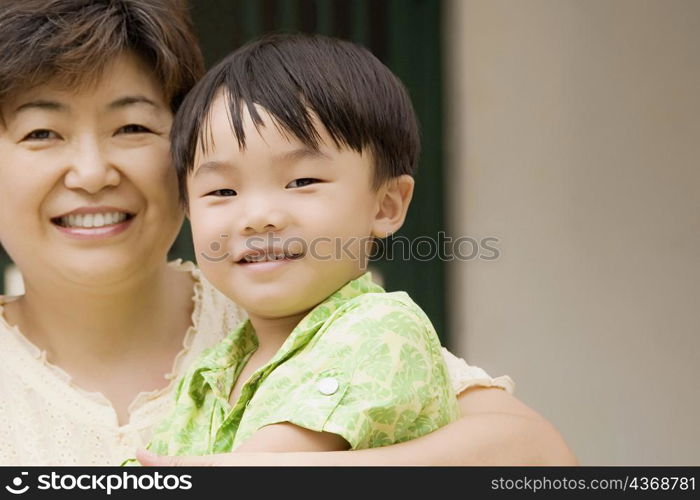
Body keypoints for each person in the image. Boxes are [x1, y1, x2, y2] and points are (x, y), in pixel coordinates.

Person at [0, 0, 574, 466]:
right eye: (41, 133)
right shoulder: (245, 340)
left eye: (131, 126)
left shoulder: (301, 317)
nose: (94, 173)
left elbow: (540, 459)